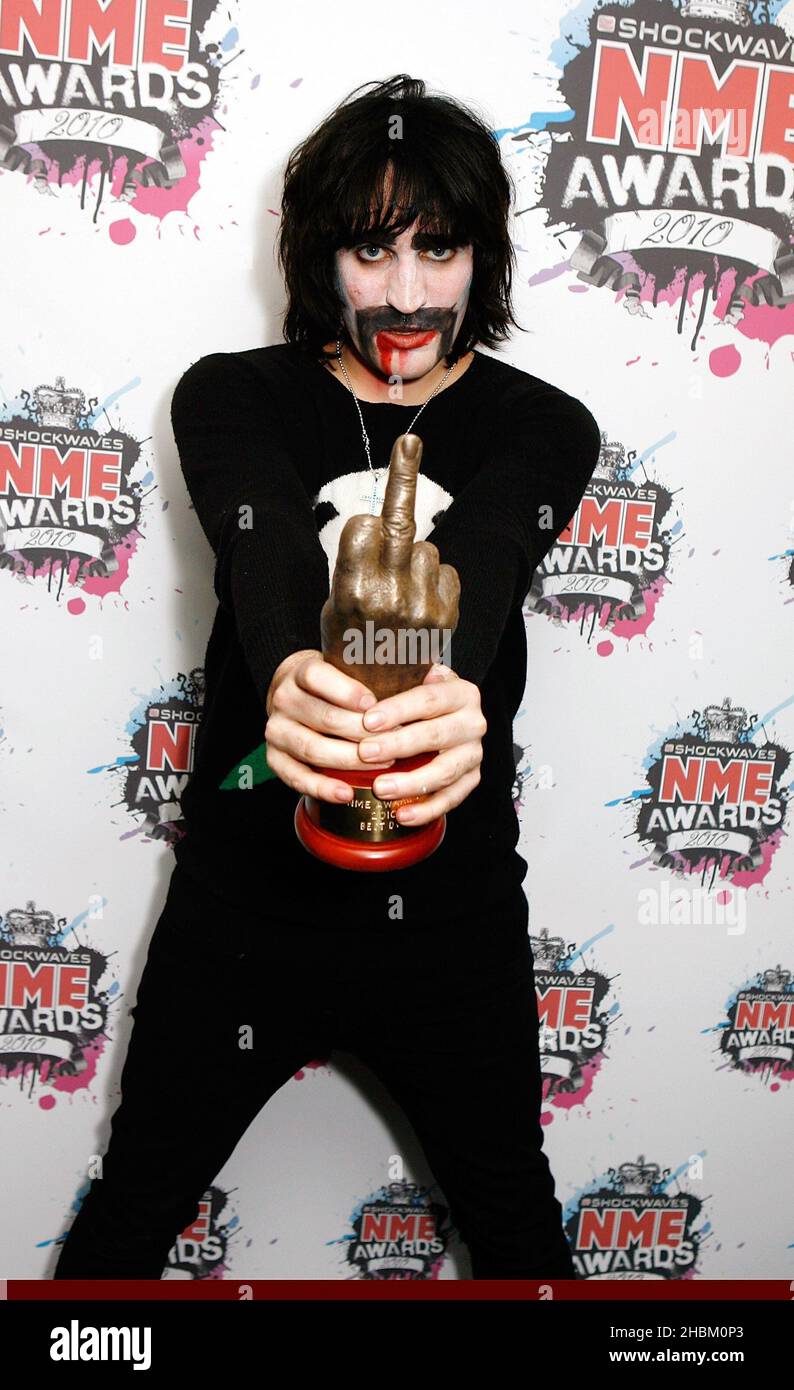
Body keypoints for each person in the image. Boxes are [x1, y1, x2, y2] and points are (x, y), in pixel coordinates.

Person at [53, 74, 601, 1280]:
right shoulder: (232, 395)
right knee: (129, 1218)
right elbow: (266, 554)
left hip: (450, 918)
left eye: (440, 248)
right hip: (245, 909)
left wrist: (438, 687)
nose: (406, 294)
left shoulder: (543, 425)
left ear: (484, 258)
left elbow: (487, 555)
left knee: (520, 1236)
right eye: (370, 247)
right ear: (317, 256)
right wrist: (300, 669)